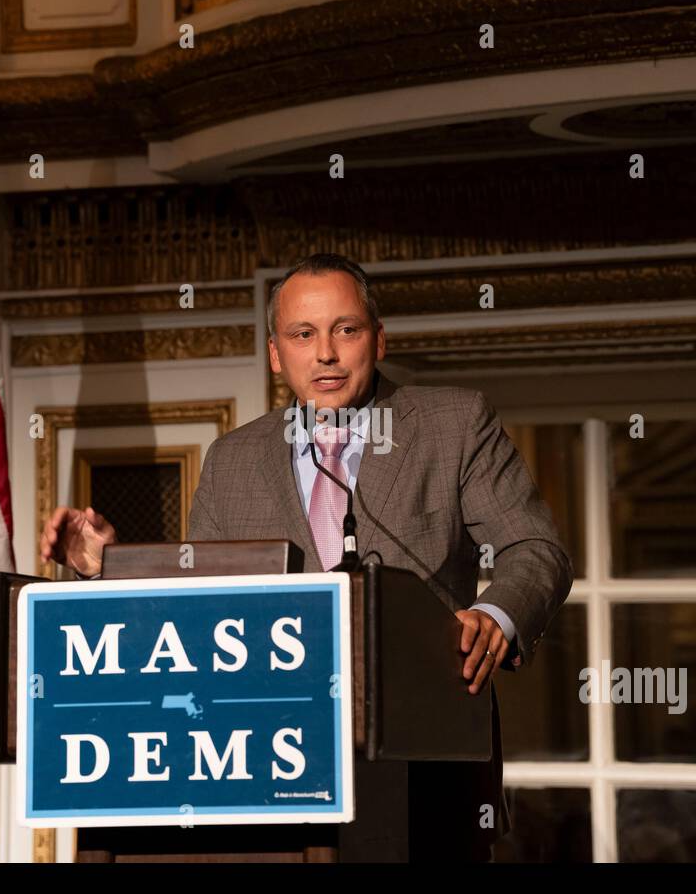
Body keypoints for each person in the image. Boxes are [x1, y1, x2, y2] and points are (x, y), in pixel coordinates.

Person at [40, 252, 574, 860]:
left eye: (345, 330)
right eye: (303, 334)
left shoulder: (455, 424)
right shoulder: (231, 460)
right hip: (270, 783)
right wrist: (113, 566)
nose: (325, 353)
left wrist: (496, 618)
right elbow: (195, 616)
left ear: (377, 338)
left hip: (424, 773)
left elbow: (536, 548)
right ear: (276, 353)